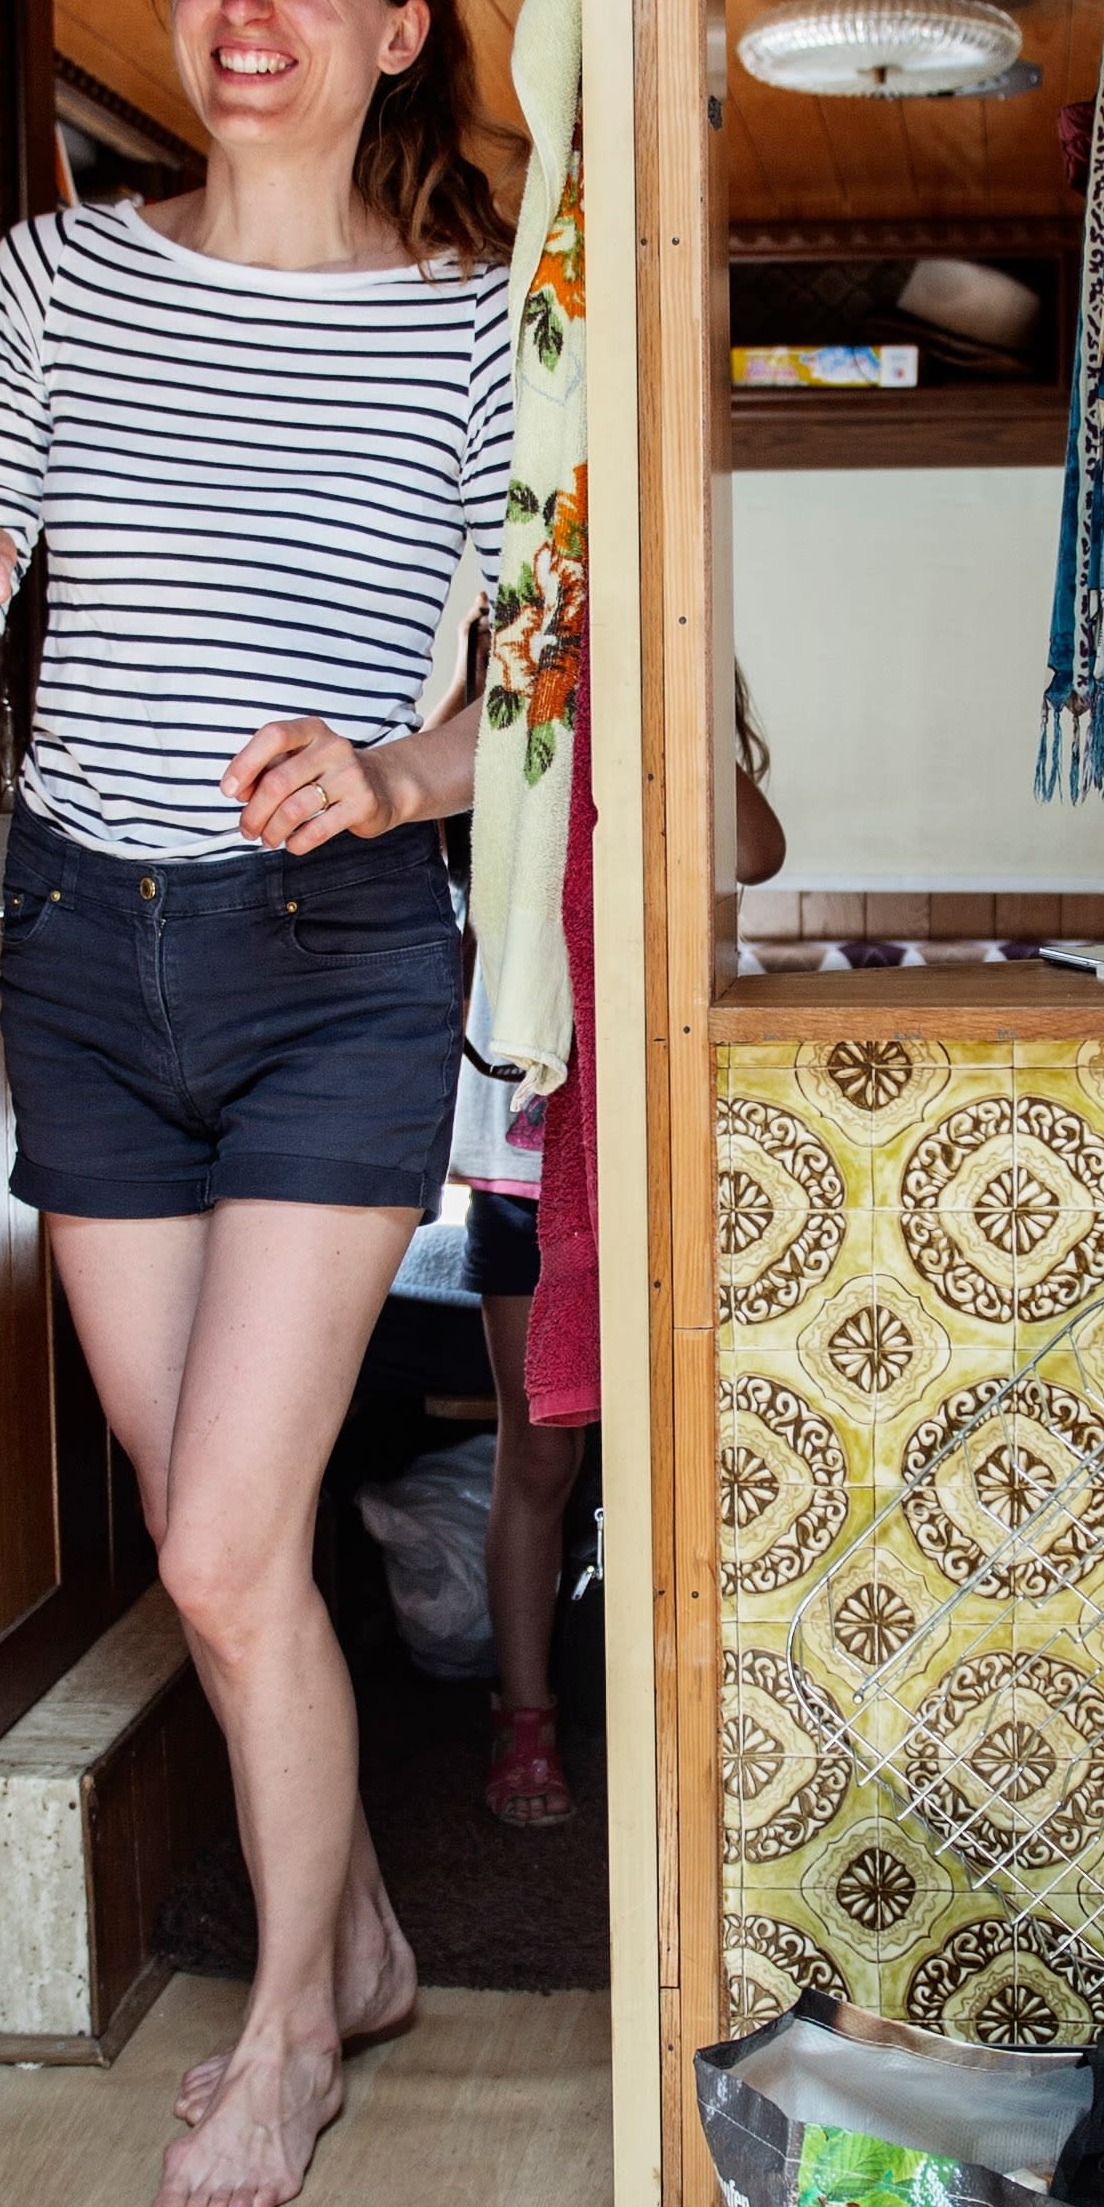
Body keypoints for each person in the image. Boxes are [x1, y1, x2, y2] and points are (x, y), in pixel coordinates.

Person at [0, 0, 510, 2207]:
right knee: (209, 1542)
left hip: (336, 955)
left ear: (398, 27)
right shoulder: (57, 278)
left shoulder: (472, 328)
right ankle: (365, 1931)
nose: (244, 4)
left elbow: (538, 703)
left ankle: (288, 2029)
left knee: (229, 1543)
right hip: (87, 950)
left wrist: (393, 768)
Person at [451, 701, 778, 1831]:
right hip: (522, 1149)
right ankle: (525, 1717)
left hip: (649, 1139)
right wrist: (504, 675)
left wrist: (677, 710)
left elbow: (755, 852)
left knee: (676, 1445)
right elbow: (443, 830)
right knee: (538, 1450)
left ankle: (677, 1717)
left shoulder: (671, 710)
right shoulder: (508, 701)